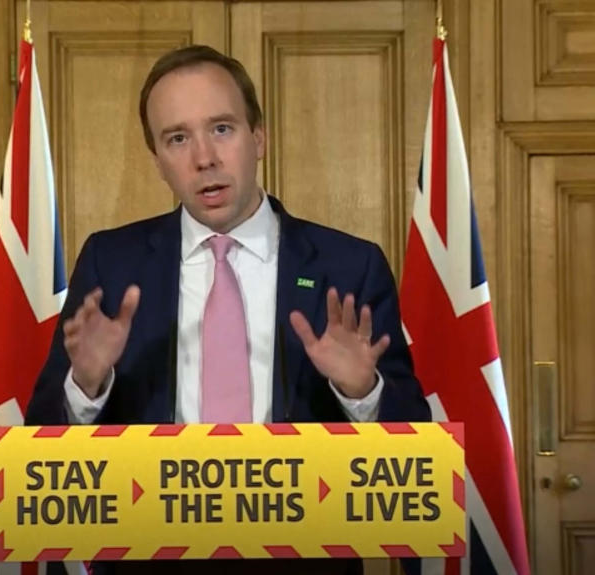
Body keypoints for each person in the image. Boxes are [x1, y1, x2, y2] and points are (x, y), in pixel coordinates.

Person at [26, 44, 430, 575]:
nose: (204, 158)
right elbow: (42, 444)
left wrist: (362, 392)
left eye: (222, 129)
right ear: (158, 161)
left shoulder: (348, 267)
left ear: (258, 137)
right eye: (177, 138)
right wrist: (86, 385)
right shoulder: (112, 264)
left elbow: (415, 453)